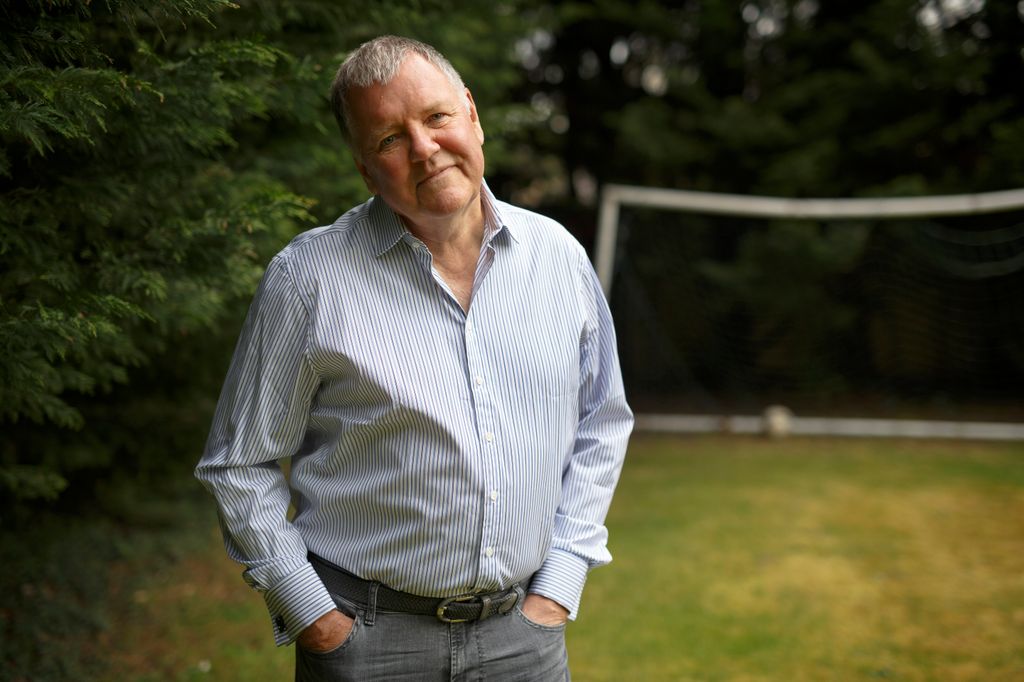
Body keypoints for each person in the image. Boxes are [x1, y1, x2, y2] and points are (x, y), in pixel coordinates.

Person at [195, 34, 632, 681]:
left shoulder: (559, 259)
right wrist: (316, 617)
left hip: (525, 642)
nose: (425, 149)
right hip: (367, 645)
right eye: (390, 139)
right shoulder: (308, 280)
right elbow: (240, 463)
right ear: (366, 169)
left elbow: (602, 421)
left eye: (436, 118)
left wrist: (558, 586)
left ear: (472, 115)